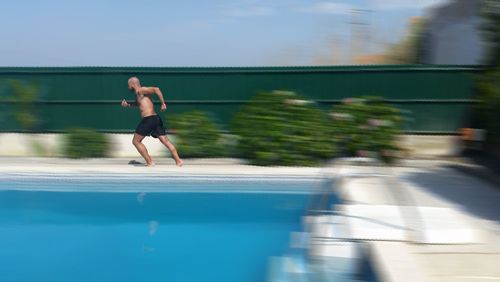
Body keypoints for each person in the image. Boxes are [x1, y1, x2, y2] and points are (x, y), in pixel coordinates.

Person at [121, 77, 183, 167]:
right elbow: (139, 104)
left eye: (128, 85)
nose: (128, 87)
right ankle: (178, 161)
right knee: (165, 141)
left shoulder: (141, 90)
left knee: (136, 141)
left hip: (148, 119)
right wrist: (128, 105)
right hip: (156, 118)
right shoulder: (138, 94)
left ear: (132, 84)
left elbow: (156, 89)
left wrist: (163, 103)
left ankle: (150, 162)